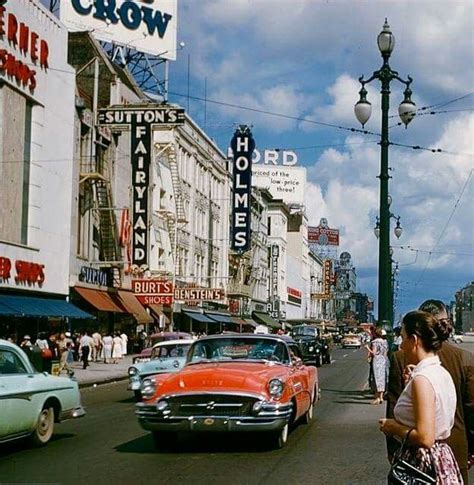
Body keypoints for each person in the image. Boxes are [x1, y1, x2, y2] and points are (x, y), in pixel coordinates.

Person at [386, 300, 474, 483]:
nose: (400, 346)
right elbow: (471, 410)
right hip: (453, 454)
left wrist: (392, 429)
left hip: (421, 462)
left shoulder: (421, 377)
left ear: (415, 339)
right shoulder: (449, 367)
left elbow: (424, 437)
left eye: (403, 338)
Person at [367, 327, 388, 404]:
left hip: (377, 360)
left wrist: (367, 349)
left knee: (376, 378)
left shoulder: (375, 342)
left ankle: (377, 397)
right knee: (382, 378)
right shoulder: (384, 341)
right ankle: (381, 396)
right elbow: (386, 352)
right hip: (383, 360)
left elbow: (374, 352)